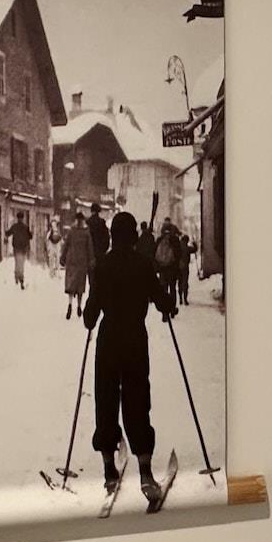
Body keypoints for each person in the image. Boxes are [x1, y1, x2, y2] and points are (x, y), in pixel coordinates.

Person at [84, 211, 176, 507]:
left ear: (112, 236)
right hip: (135, 341)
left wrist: (90, 316)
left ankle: (109, 469)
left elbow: (90, 314)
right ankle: (146, 473)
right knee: (137, 401)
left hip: (109, 341)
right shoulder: (142, 264)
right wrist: (169, 304)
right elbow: (162, 300)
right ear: (134, 236)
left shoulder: (103, 265)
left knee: (106, 399)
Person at [61, 213, 94, 318]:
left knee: (70, 285)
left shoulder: (71, 231)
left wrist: (63, 257)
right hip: (82, 262)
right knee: (80, 286)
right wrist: (91, 260)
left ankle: (70, 304)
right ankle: (79, 306)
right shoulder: (86, 233)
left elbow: (66, 245)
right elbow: (90, 248)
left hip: (72, 261)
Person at [154, 220, 186, 310]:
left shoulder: (159, 240)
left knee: (164, 289)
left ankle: (164, 311)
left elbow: (154, 254)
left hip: (162, 269)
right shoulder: (175, 240)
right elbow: (179, 254)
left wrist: (157, 267)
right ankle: (172, 308)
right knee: (172, 289)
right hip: (173, 269)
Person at [7, 212, 32, 289]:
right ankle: (21, 279)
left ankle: (17, 277)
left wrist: (5, 232)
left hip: (17, 248)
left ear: (17, 218)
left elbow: (8, 233)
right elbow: (30, 236)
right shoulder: (26, 227)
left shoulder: (14, 226)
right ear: (23, 218)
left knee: (17, 263)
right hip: (23, 248)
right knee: (21, 264)